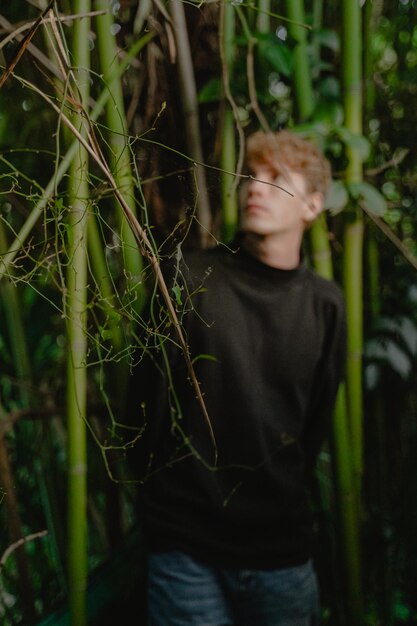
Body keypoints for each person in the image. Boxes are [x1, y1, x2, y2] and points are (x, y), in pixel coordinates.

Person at [125, 129, 347, 626]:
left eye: (276, 179)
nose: (255, 188)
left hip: (281, 550)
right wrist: (159, 517)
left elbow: (313, 429)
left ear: (312, 206)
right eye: (250, 176)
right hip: (186, 548)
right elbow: (143, 410)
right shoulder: (186, 277)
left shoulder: (325, 304)